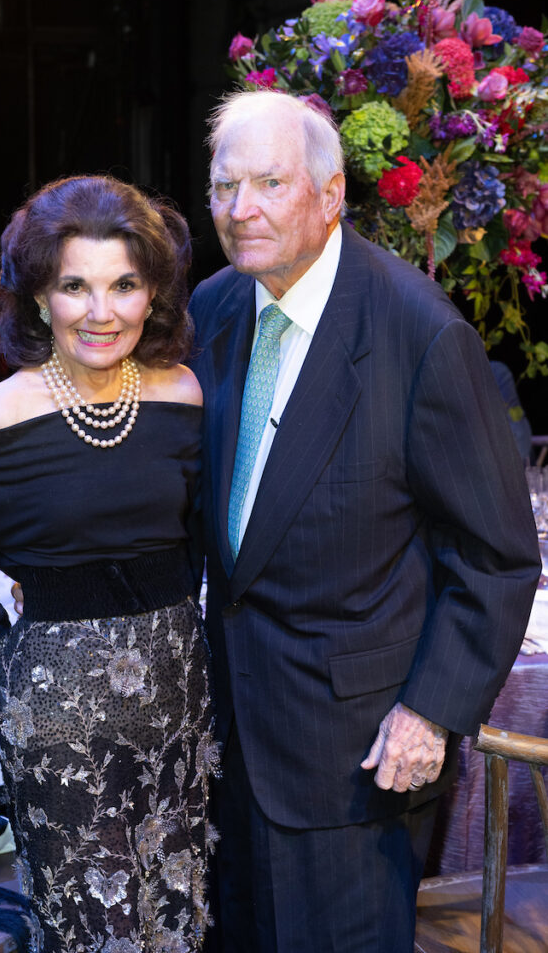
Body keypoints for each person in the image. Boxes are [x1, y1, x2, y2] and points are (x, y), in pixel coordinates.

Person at [187, 90, 540, 953]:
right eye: (224, 186)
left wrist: (429, 712)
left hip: (356, 760)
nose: (240, 209)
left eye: (269, 183)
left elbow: (494, 556)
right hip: (228, 745)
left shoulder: (418, 332)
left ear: (331, 193)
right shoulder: (215, 309)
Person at [0, 175, 219, 953]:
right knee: (95, 923)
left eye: (123, 284)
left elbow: (197, 542)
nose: (100, 311)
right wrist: (14, 662)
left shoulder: (182, 394)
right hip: (57, 715)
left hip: (177, 696)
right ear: (38, 297)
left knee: (174, 910)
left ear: (153, 293)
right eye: (74, 286)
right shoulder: (3, 412)